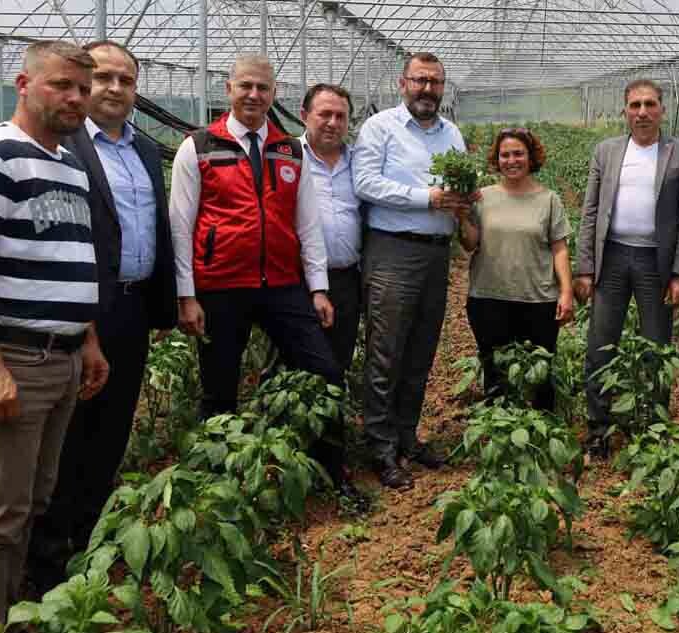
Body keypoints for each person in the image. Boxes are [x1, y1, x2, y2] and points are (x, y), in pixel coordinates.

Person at [0, 40, 108, 633]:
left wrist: (86, 340)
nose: (76, 98)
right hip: (11, 358)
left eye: (82, 89)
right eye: (63, 85)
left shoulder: (67, 164)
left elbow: (67, 260)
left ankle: (4, 631)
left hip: (55, 359)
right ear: (24, 83)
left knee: (30, 506)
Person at [25, 40, 176, 594]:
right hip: (79, 315)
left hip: (132, 308)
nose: (115, 89)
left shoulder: (144, 152)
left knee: (111, 432)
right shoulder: (57, 146)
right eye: (103, 78)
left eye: (126, 80)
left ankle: (86, 543)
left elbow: (155, 228)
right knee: (65, 438)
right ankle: (44, 565)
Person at [168, 55, 342, 452]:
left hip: (282, 284)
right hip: (220, 287)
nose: (254, 94)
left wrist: (317, 288)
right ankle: (216, 479)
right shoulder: (198, 147)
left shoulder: (289, 150)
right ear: (228, 89)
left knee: (324, 372)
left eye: (263, 87)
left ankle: (330, 467)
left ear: (274, 93)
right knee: (219, 387)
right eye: (245, 86)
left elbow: (308, 224)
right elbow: (180, 226)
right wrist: (186, 296)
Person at [352, 52, 470, 489]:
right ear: (403, 84)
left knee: (421, 349)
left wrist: (462, 198)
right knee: (386, 352)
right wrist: (428, 198)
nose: (427, 89)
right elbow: (365, 183)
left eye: (435, 82)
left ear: (443, 88)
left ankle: (406, 436)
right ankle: (380, 448)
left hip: (437, 253)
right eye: (419, 81)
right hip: (392, 251)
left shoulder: (451, 134)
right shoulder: (380, 128)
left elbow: (457, 188)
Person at [576, 79, 679, 457]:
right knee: (600, 345)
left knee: (656, 348)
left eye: (650, 104)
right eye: (635, 105)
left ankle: (653, 428)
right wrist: (585, 267)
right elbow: (591, 211)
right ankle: (599, 428)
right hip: (611, 258)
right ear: (625, 111)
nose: (642, 112)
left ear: (662, 110)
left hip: (655, 263)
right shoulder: (607, 151)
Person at [459, 128, 575, 411]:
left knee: (540, 371)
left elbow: (559, 249)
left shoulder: (549, 199)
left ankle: (542, 428)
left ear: (531, 157)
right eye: (505, 155)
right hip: (489, 297)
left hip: (538, 299)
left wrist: (566, 292)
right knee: (496, 371)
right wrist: (461, 216)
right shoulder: (482, 197)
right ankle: (500, 427)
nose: (512, 160)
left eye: (518, 154)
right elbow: (470, 243)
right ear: (497, 159)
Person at [300, 84, 364, 392]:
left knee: (339, 359)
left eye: (341, 116)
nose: (333, 123)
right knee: (297, 362)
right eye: (324, 114)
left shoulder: (359, 162)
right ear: (304, 116)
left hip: (346, 279)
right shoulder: (287, 157)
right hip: (297, 280)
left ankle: (333, 432)